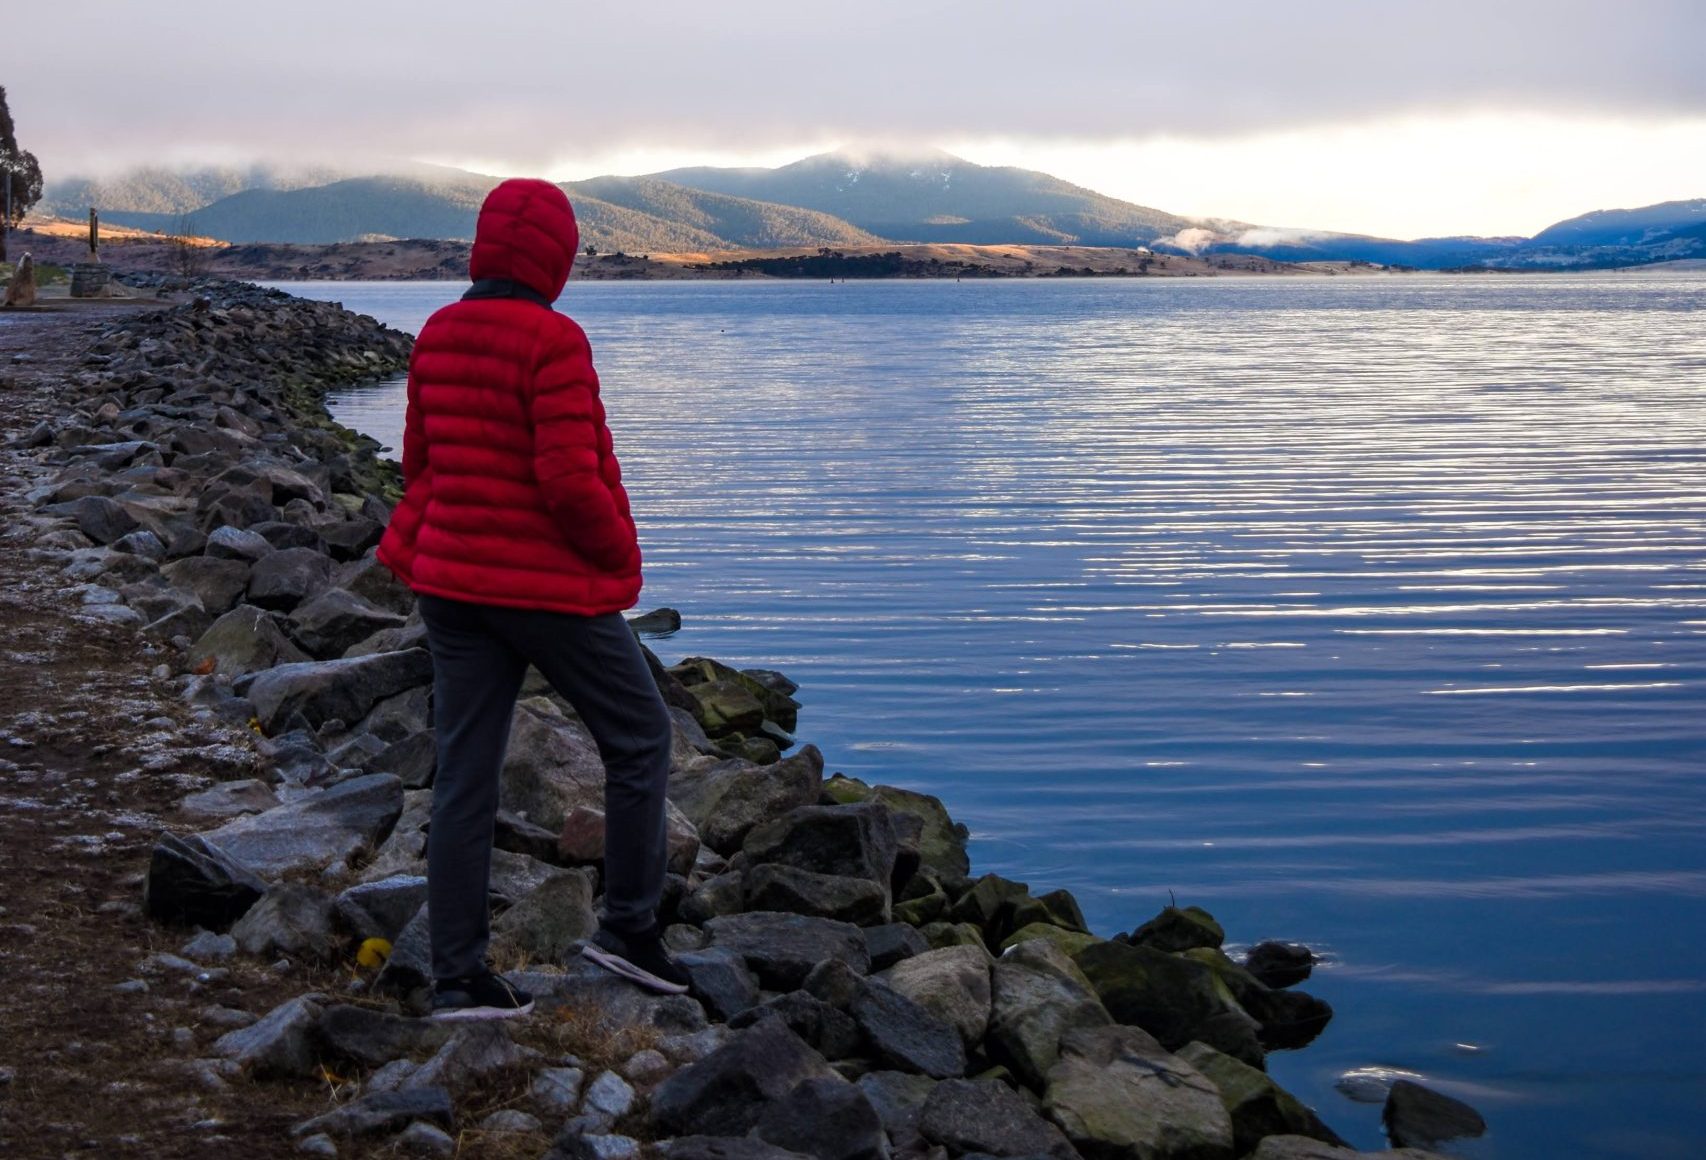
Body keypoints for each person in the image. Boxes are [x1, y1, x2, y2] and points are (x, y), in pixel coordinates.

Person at [377, 178, 688, 1021]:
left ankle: (458, 978)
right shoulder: (554, 340)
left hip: (450, 582)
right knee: (640, 737)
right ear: (555, 255)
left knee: (465, 776)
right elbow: (567, 478)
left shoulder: (438, 332)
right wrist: (619, 555)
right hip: (543, 588)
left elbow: (420, 462)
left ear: (485, 246)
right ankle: (626, 931)